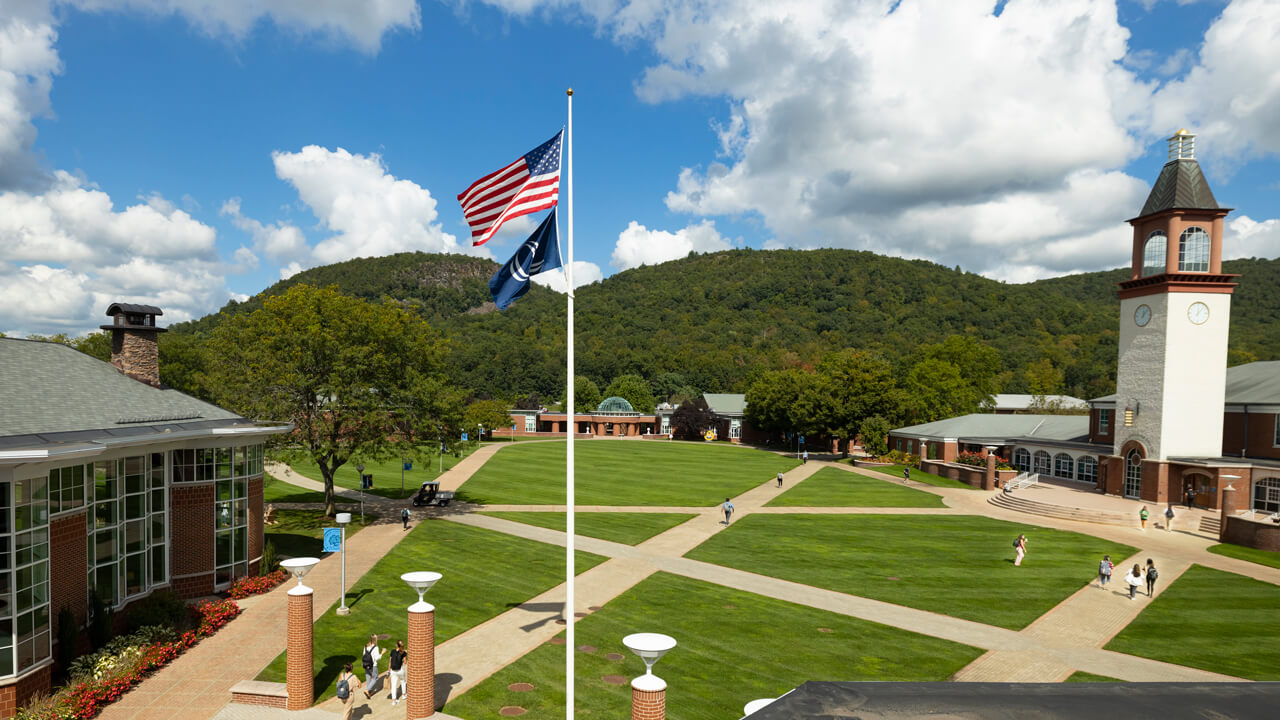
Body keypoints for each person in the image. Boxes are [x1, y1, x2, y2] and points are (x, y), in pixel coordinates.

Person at [361, 634, 382, 698]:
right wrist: (382, 653)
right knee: (375, 678)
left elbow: (363, 655)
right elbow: (377, 658)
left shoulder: (365, 646)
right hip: (373, 665)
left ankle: (369, 692)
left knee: (368, 678)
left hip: (365, 665)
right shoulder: (376, 647)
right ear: (375, 640)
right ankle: (367, 690)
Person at [387, 640, 407, 705]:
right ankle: (404, 695)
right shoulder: (403, 652)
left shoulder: (392, 651)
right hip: (400, 670)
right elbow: (405, 662)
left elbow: (390, 661)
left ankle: (394, 700)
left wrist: (389, 670)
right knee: (403, 681)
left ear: (396, 645)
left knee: (393, 685)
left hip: (393, 671)